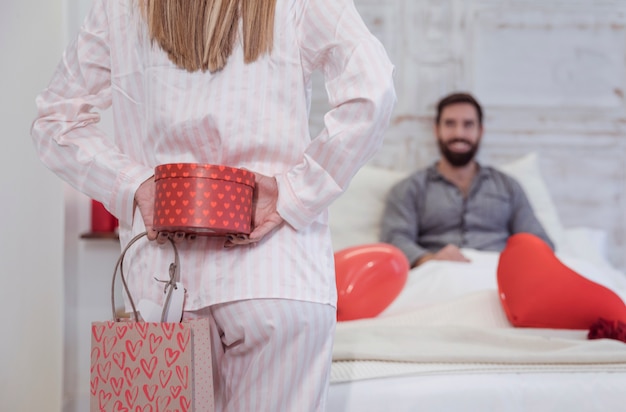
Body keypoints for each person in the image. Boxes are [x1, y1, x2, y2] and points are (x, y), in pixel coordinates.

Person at [31, 0, 396, 410]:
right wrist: (295, 193)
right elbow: (373, 89)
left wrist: (135, 186)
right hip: (277, 275)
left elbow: (54, 122)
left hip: (163, 287)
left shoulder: (120, 7)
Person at [380, 92, 552, 268]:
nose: (459, 133)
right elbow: (394, 240)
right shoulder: (409, 189)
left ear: (480, 131)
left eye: (468, 124)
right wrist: (430, 260)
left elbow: (539, 242)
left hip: (497, 275)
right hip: (437, 275)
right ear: (436, 130)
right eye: (450, 124)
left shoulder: (508, 186)